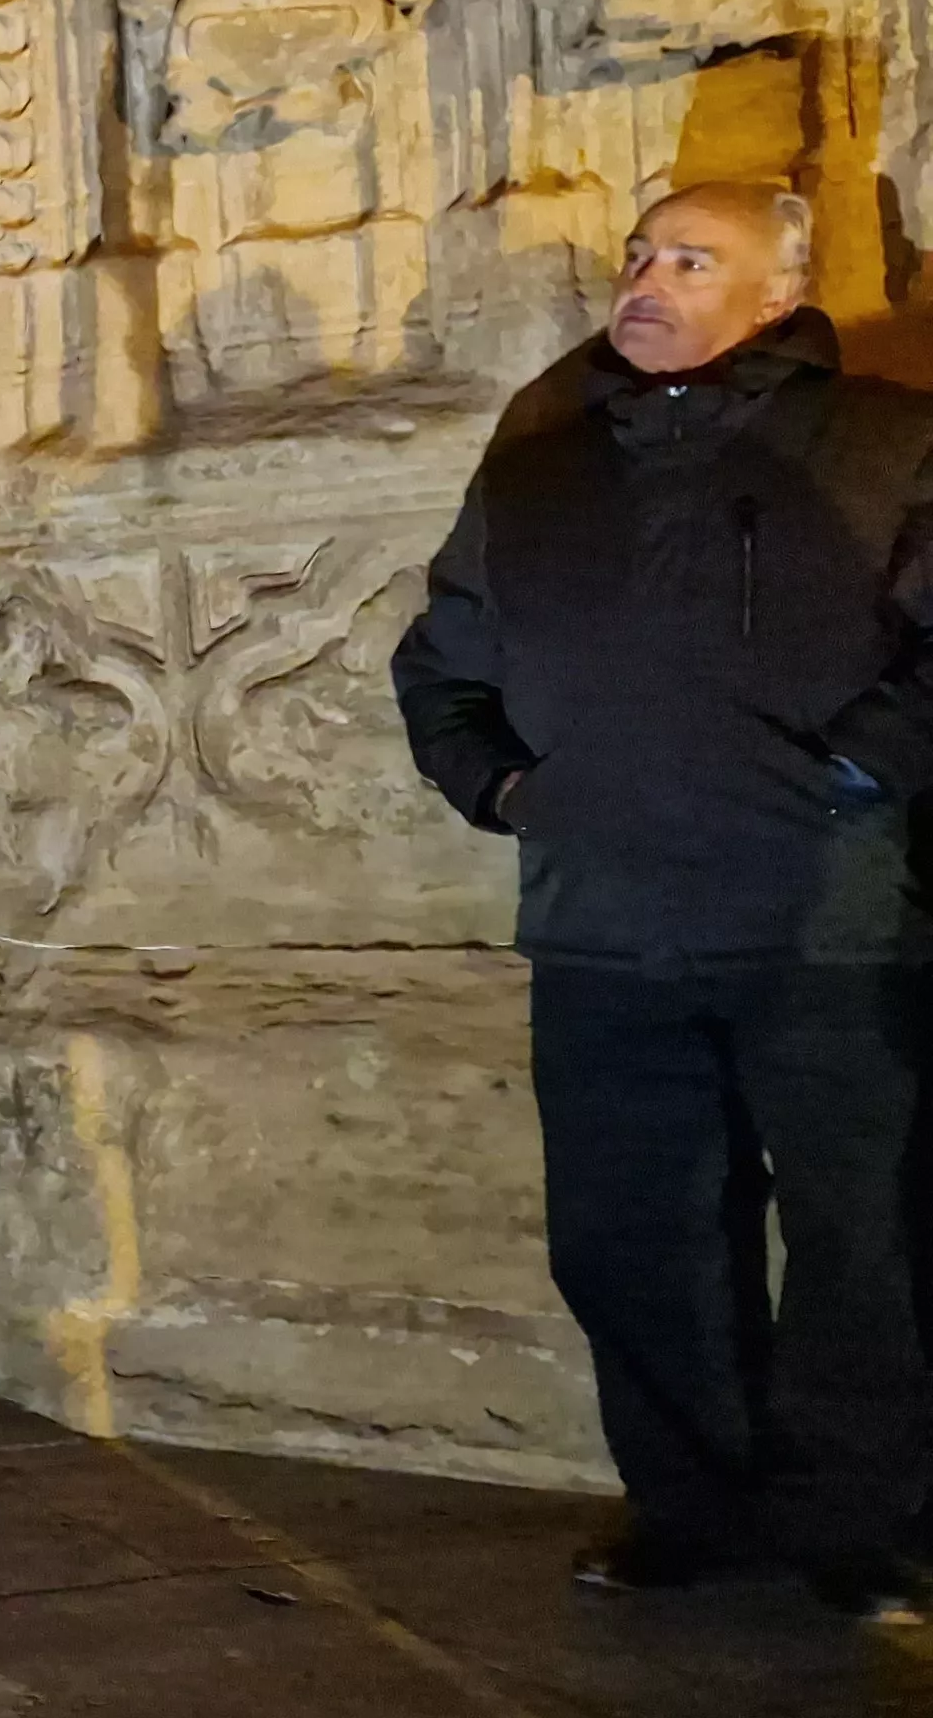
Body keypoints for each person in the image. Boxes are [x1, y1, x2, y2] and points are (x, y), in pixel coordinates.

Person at [393, 180, 933, 1620]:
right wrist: (510, 792)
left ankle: (861, 1526)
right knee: (631, 1237)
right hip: (602, 928)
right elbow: (440, 663)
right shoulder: (539, 465)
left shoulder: (885, 439)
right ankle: (689, 1510)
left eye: (694, 260)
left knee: (867, 1239)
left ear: (779, 295)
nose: (647, 279)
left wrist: (851, 775)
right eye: (639, 255)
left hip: (824, 926)